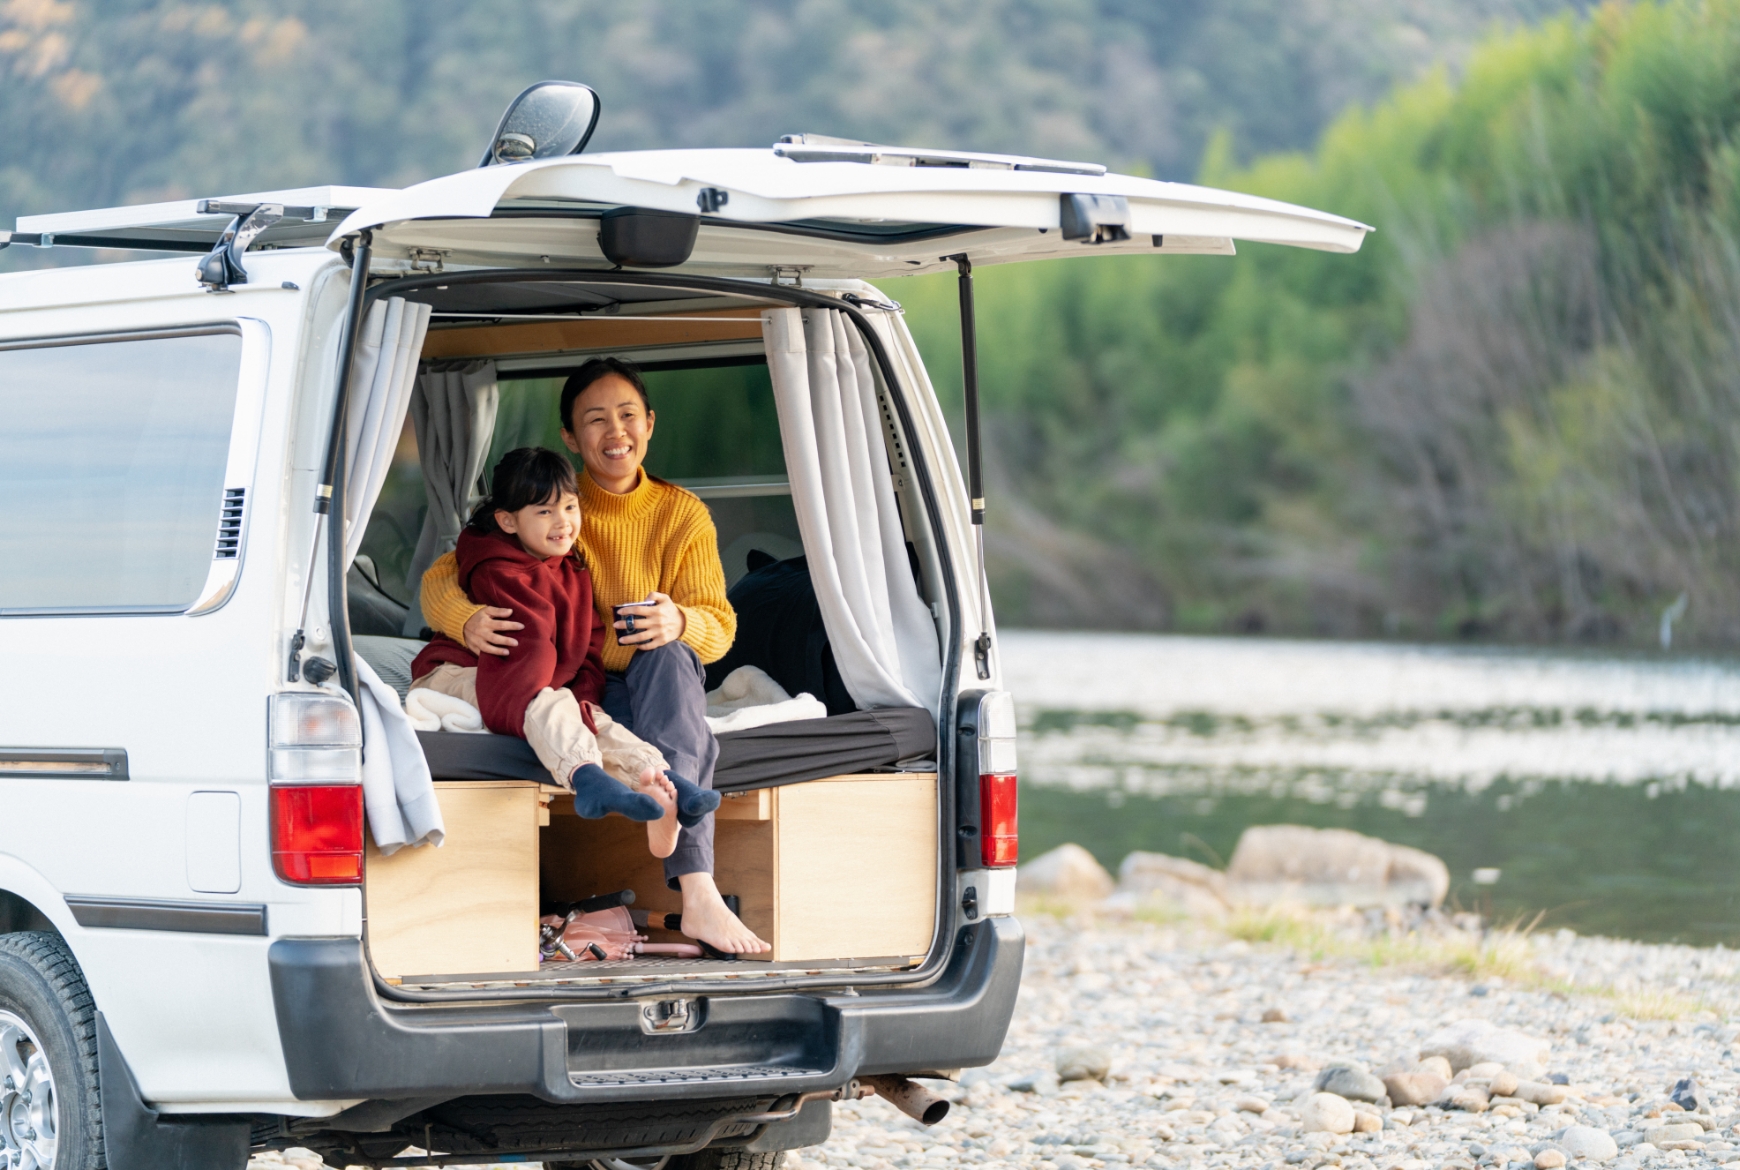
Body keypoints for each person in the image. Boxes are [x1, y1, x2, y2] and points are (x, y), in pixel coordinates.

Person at [421, 358, 770, 955]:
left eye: (628, 415)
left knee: (669, 656)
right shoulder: (549, 498)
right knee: (578, 703)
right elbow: (443, 576)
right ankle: (661, 791)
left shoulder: (680, 514)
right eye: (596, 419)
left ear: (650, 424)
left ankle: (698, 890)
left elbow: (722, 625)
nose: (616, 432)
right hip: (578, 681)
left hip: (651, 684)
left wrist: (679, 619)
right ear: (570, 436)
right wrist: (467, 620)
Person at [408, 448, 720, 861]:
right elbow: (529, 645)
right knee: (550, 704)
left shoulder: (570, 565)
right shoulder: (496, 566)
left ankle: (663, 778)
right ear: (507, 520)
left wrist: (584, 696)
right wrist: (561, 696)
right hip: (459, 672)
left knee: (591, 716)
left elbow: (586, 641)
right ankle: (586, 776)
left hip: (527, 673)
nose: (564, 522)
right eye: (544, 512)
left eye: (570, 507)